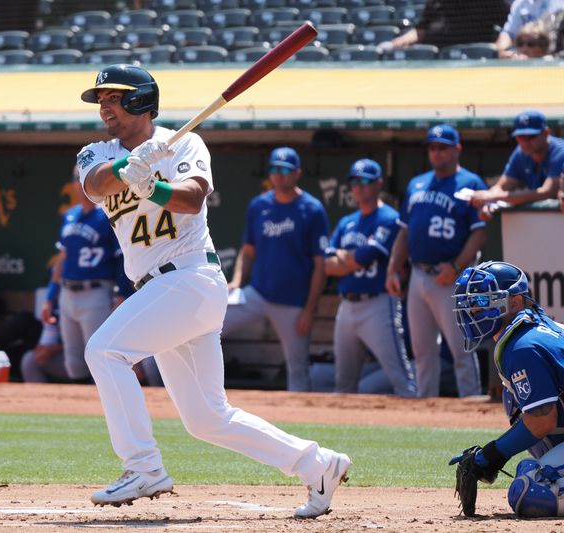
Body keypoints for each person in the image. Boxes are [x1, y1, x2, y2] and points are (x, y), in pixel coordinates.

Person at [76, 63, 351, 518]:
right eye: (101, 99)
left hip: (188, 277)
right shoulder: (96, 152)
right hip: (159, 290)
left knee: (103, 351)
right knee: (207, 417)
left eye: (114, 97)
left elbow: (191, 198)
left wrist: (154, 186)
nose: (105, 106)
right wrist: (129, 167)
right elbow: (95, 184)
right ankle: (317, 464)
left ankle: (142, 466)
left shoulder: (185, 142)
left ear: (140, 99)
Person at [450, 261, 564, 517]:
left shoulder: (523, 345)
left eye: (482, 299)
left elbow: (542, 420)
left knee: (530, 491)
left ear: (514, 302)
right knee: (528, 470)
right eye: (470, 301)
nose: (473, 309)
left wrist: (488, 456)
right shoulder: (534, 332)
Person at [386, 124, 487, 398]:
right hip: (418, 274)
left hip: (450, 276)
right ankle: (425, 409)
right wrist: (393, 268)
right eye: (432, 147)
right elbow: (404, 231)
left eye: (443, 147)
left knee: (461, 348)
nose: (437, 152)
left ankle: (471, 406)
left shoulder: (472, 184)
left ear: (457, 149)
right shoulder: (417, 183)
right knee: (421, 351)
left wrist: (456, 267)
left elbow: (479, 234)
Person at [223, 147, 329, 392]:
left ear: (297, 173)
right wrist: (238, 280)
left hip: (293, 303)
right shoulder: (259, 205)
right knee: (210, 322)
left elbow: (320, 264)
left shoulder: (312, 209)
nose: (279, 174)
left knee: (298, 368)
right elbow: (248, 250)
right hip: (258, 293)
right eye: (274, 169)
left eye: (284, 170)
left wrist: (310, 309)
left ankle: (301, 419)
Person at [324, 159, 416, 397]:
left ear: (378, 184)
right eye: (354, 181)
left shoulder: (389, 217)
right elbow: (328, 265)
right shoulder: (347, 222)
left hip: (378, 303)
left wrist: (345, 258)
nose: (359, 186)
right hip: (346, 306)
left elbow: (369, 256)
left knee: (402, 380)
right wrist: (351, 259)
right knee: (343, 383)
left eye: (365, 181)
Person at [42, 168, 133, 382]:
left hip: (97, 292)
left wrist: (122, 294)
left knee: (97, 357)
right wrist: (50, 296)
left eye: (85, 179)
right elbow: (62, 259)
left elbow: (122, 258)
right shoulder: (70, 215)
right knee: (73, 362)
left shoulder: (109, 214)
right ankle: (80, 411)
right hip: (67, 292)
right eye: (77, 179)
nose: (81, 185)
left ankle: (100, 410)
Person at [470, 110, 564, 220]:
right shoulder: (521, 153)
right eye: (521, 137)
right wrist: (488, 203)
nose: (526, 142)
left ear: (546, 133)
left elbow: (547, 192)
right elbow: (501, 186)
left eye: (531, 136)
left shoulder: (560, 151)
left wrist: (493, 197)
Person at [389, 0, 509, 50]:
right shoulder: (437, 1)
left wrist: (501, 48)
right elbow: (421, 29)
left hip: (477, 61)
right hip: (439, 62)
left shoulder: (490, 2)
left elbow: (509, 29)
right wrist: (402, 41)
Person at [495, 0, 564, 58]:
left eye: (530, 44)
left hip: (550, 55)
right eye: (521, 44)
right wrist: (500, 52)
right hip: (519, 58)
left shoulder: (559, 4)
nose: (525, 48)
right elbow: (509, 33)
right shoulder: (520, 3)